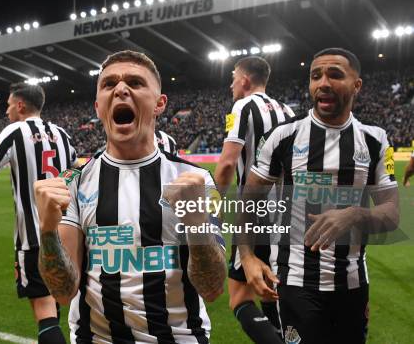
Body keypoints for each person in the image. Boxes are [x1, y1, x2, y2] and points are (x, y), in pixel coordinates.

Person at [34, 50, 226, 343]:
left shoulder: (199, 181)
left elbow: (211, 288)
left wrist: (197, 223)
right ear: (98, 106)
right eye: (109, 84)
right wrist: (47, 231)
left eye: (135, 83)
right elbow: (63, 292)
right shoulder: (74, 182)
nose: (121, 89)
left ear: (159, 103)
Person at [239, 48, 399, 343]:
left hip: (352, 282)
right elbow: (250, 198)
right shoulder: (284, 137)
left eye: (335, 75)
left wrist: (355, 214)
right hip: (296, 281)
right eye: (316, 76)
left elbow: (391, 213)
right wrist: (247, 256)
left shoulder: (374, 140)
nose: (323, 83)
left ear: (357, 85)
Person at [0, 83, 77, 344]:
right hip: (67, 234)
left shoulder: (14, 131)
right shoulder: (62, 134)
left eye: (9, 104)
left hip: (34, 238)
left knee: (45, 315)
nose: (7, 110)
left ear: (20, 105)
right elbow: (76, 171)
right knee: (59, 306)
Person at [214, 56, 293, 343]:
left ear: (245, 80)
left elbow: (226, 165)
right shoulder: (287, 111)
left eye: (234, 77)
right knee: (272, 289)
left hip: (254, 212)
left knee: (239, 297)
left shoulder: (242, 107)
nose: (231, 83)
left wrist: (213, 209)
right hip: (286, 213)